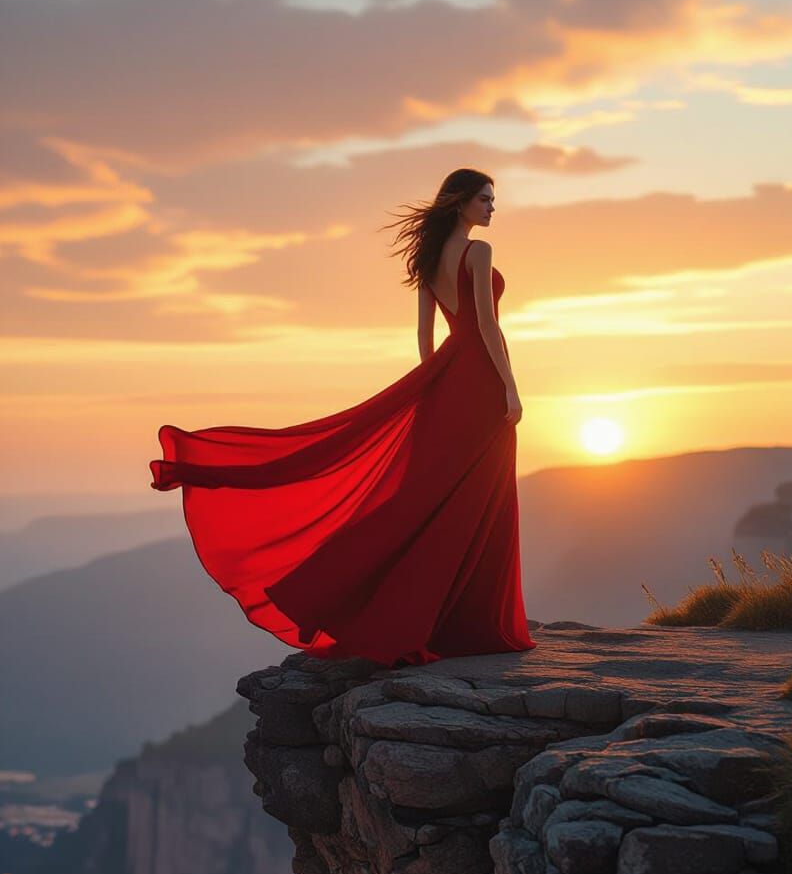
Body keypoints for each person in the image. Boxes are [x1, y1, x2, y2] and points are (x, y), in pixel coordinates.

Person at [149, 167, 537, 666]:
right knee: (477, 497)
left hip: (447, 380)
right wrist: (510, 388)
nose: (491, 208)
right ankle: (467, 624)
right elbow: (488, 324)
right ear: (460, 202)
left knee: (429, 499)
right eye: (484, 199)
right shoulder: (479, 252)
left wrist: (433, 385)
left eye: (492, 200)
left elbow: (425, 339)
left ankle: (349, 597)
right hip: (480, 383)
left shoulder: (426, 258)